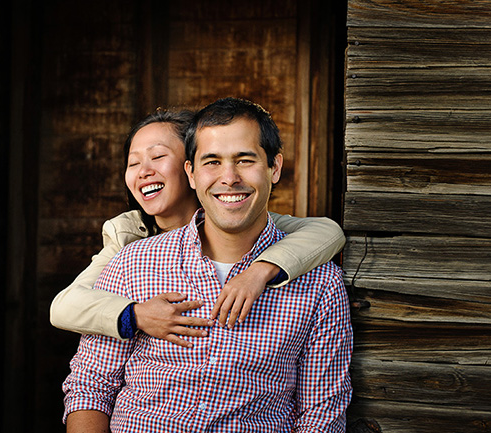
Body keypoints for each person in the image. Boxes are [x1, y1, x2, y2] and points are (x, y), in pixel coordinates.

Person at [63, 97, 353, 432]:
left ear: (275, 167)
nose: (229, 178)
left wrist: (261, 271)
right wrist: (136, 315)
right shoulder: (132, 260)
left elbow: (322, 414)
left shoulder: (320, 284)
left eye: (244, 160)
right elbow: (90, 387)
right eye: (212, 162)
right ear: (192, 172)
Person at [50, 110, 345, 347]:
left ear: (190, 166)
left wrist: (259, 271)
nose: (143, 171)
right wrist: (137, 315)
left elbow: (326, 232)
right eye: (133, 162)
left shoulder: (242, 221)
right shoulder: (129, 240)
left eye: (157, 157)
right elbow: (65, 306)